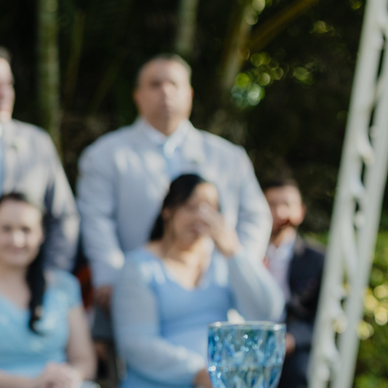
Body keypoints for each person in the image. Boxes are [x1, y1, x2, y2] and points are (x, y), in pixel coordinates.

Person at [76, 54, 272, 314]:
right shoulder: (104, 155)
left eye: (173, 84)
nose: (165, 92)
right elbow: (96, 219)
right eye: (155, 85)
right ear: (138, 96)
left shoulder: (228, 157)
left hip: (216, 296)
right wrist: (114, 278)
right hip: (137, 293)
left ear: (189, 94)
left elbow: (256, 216)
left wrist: (238, 269)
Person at [112, 174, 290, 388]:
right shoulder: (139, 267)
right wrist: (200, 372)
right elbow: (136, 343)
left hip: (230, 384)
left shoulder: (222, 262)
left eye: (211, 209)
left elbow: (267, 311)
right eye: (191, 207)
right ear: (168, 210)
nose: (201, 217)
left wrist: (234, 253)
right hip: (164, 385)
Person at [0, 193, 107, 388]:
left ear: (41, 234)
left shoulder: (63, 286)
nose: (16, 240)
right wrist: (35, 382)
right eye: (6, 229)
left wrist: (68, 378)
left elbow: (84, 360)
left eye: (26, 230)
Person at [0, 48, 79, 272]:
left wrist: (52, 275)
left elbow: (64, 217)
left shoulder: (36, 143)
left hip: (26, 288)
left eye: (8, 85)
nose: (4, 94)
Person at [262, 178, 324, 388]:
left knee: (298, 372)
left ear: (301, 211)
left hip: (290, 345)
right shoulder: (246, 251)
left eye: (286, 204)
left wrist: (291, 340)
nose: (280, 212)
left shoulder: (317, 258)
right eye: (272, 204)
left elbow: (320, 317)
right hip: (250, 335)